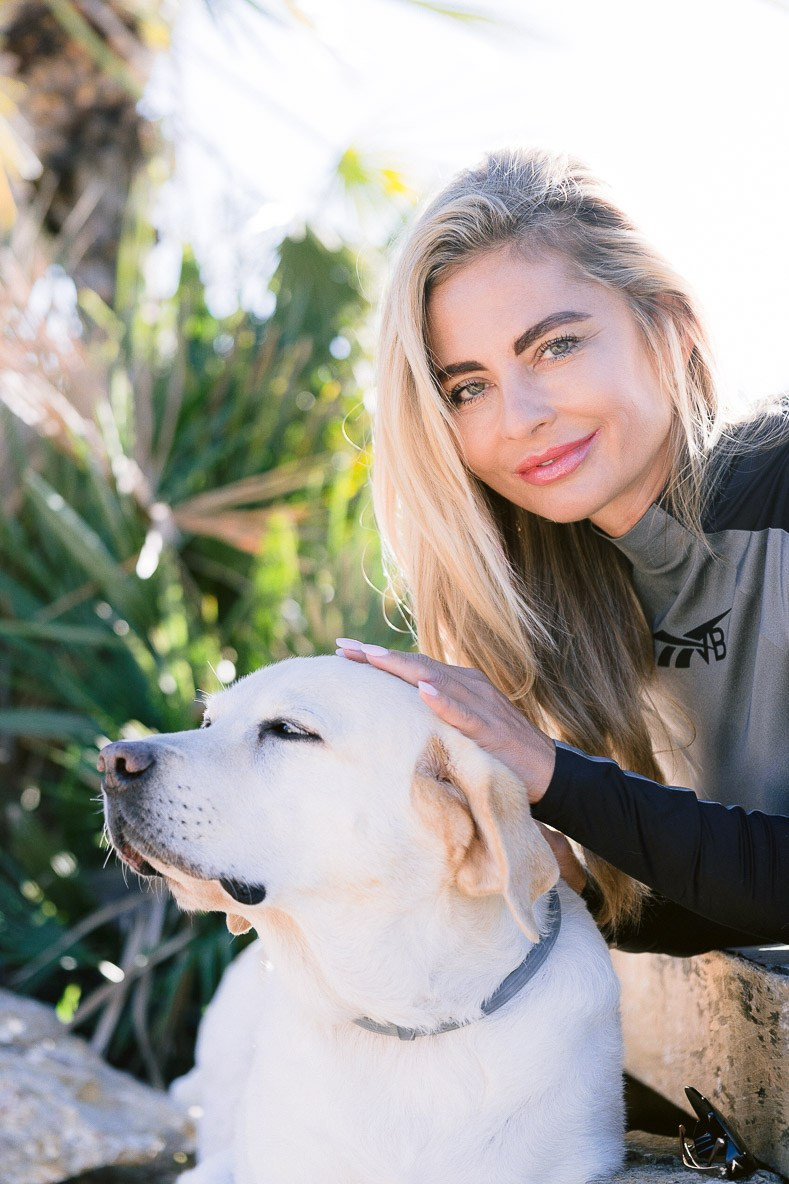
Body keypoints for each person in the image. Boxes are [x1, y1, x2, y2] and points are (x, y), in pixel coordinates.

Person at [336, 147, 789, 957]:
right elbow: (732, 899)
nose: (519, 417)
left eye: (555, 346)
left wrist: (550, 773)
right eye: (467, 388)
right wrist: (568, 882)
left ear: (670, 325)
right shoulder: (564, 595)